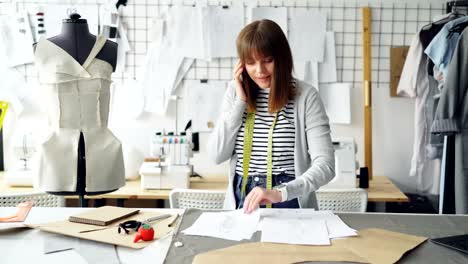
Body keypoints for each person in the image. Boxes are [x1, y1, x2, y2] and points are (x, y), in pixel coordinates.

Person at [208, 19, 335, 213]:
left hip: (290, 199)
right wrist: (240, 102)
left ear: (282, 58)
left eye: (267, 60)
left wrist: (281, 192)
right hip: (243, 201)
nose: (259, 71)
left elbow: (326, 165)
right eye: (250, 62)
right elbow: (216, 155)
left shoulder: (306, 96)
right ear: (241, 64)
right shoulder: (235, 93)